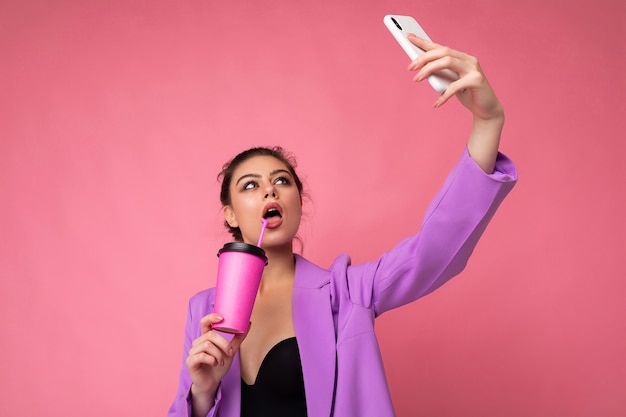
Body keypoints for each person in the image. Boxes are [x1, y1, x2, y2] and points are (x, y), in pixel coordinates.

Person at [168, 34, 517, 417]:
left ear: (298, 202)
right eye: (250, 185)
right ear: (230, 214)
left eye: (282, 181)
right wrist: (203, 393)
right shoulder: (204, 309)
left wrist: (487, 122)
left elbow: (433, 250)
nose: (270, 189)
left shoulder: (348, 292)